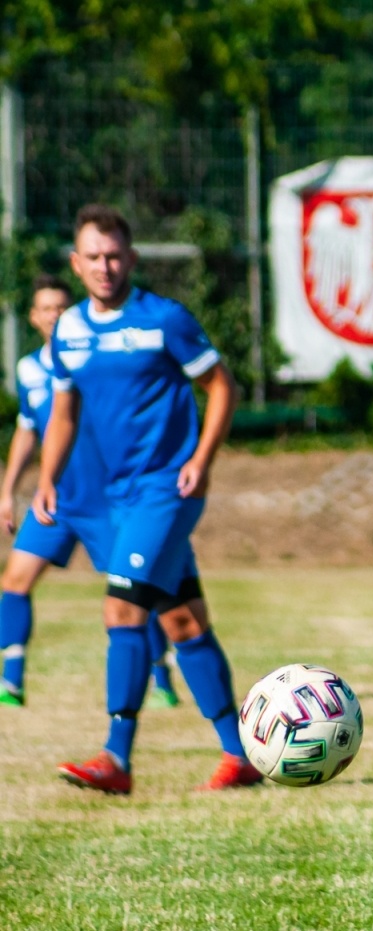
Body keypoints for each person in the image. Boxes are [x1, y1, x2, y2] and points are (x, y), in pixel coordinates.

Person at [41, 205, 254, 793]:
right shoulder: (70, 330)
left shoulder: (164, 319)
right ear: (76, 263)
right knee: (183, 620)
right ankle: (239, 756)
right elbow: (63, 410)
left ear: (132, 258)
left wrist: (201, 461)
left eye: (115, 256)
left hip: (167, 489)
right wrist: (47, 477)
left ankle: (117, 759)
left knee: (121, 610)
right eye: (94, 257)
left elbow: (222, 386)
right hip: (116, 497)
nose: (105, 267)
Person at [0, 275, 179, 710]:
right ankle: (12, 681)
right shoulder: (28, 369)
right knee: (15, 580)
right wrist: (9, 490)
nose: (55, 315)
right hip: (56, 500)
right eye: (46, 308)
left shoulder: (94, 360)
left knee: (134, 590)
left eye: (62, 307)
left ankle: (162, 679)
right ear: (34, 317)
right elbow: (28, 430)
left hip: (106, 501)